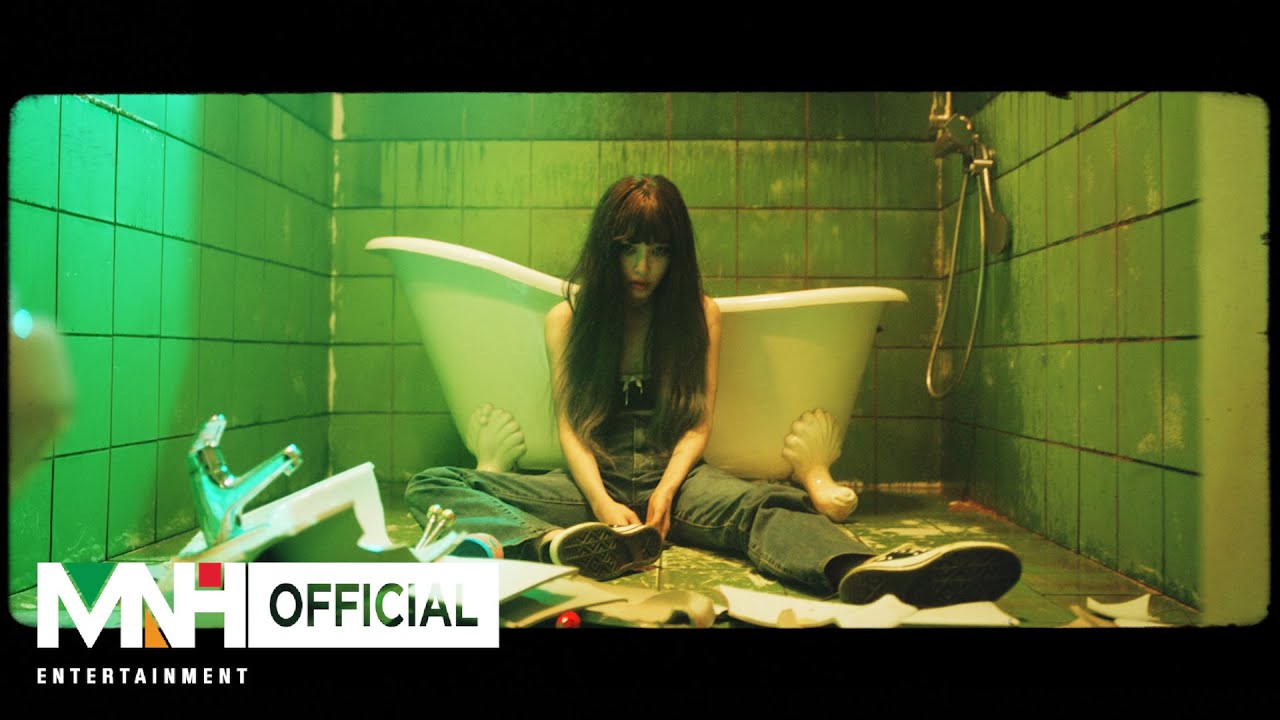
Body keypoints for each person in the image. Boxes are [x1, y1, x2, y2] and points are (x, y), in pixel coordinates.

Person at [406, 174, 1021, 609]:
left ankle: (861, 570)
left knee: (769, 505)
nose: (642, 268)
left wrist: (667, 490)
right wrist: (598, 504)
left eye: (658, 252)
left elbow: (698, 421)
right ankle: (549, 547)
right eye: (629, 250)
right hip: (593, 481)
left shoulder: (701, 315)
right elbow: (571, 427)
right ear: (606, 249)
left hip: (678, 477)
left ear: (677, 256)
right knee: (434, 484)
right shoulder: (567, 319)